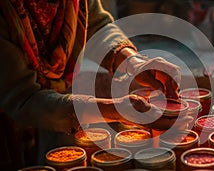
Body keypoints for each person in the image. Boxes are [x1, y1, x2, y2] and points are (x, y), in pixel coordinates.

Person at [0, 0, 191, 170]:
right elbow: (23, 98)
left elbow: (95, 23)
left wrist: (133, 62)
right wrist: (113, 109)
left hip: (59, 107)